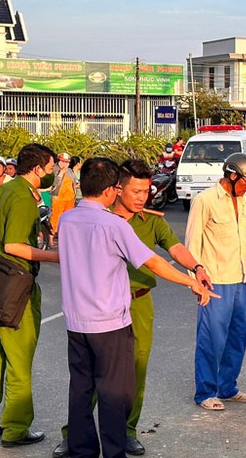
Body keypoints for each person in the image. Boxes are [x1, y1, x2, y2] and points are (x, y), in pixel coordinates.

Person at [51, 158, 215, 458]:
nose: (142, 197)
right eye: (136, 191)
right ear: (115, 189)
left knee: (88, 385)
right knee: (114, 390)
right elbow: (154, 261)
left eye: (146, 191)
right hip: (111, 319)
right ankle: (111, 449)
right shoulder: (113, 224)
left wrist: (196, 266)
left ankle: (89, 446)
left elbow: (173, 248)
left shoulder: (69, 219)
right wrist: (190, 282)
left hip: (81, 319)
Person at [0, 143, 59, 448]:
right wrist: (59, 257)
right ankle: (16, 429)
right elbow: (14, 246)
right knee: (19, 361)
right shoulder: (22, 197)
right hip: (15, 289)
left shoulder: (0, 191)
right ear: (36, 169)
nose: (52, 173)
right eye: (50, 169)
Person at [186, 153, 246, 411]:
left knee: (236, 338)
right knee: (211, 339)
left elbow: (241, 241)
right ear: (232, 175)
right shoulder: (205, 200)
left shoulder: (242, 199)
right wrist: (195, 282)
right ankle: (205, 392)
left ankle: (227, 387)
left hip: (239, 281)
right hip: (215, 282)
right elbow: (192, 243)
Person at [50, 153, 76, 241]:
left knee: (68, 219)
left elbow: (73, 183)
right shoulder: (54, 169)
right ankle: (51, 237)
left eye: (67, 162)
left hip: (70, 199)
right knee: (55, 218)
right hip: (58, 198)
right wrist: (61, 174)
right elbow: (53, 185)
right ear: (59, 161)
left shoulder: (70, 171)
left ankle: (65, 237)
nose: (65, 164)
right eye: (63, 161)